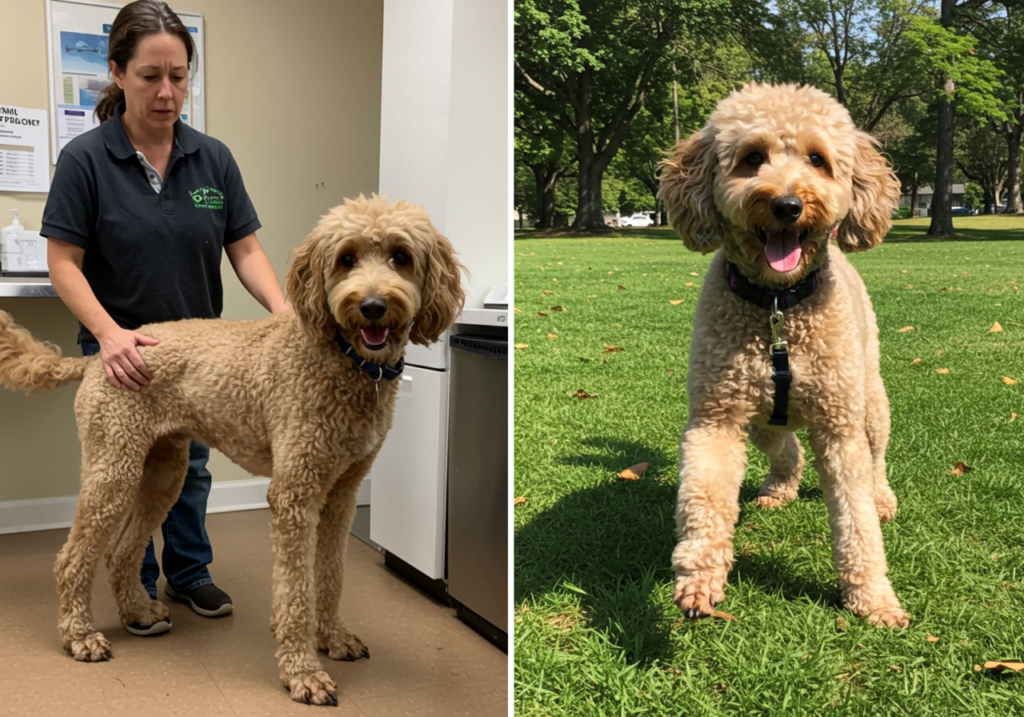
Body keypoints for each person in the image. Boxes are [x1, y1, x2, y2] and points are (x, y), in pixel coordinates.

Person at [41, 0, 289, 636]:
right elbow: (63, 262)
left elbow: (246, 248)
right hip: (124, 352)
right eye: (150, 76)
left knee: (186, 476)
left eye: (178, 76)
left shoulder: (214, 159)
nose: (167, 91)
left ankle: (187, 574)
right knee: (112, 490)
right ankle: (89, 601)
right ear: (118, 74)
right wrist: (107, 334)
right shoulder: (86, 160)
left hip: (199, 358)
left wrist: (288, 312)